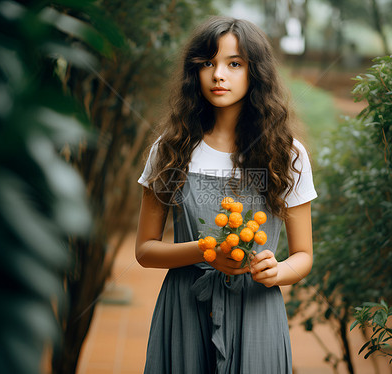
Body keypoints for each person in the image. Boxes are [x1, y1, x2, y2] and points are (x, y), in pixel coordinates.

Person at [135, 15, 317, 373]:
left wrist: (276, 271)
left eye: (234, 64)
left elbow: (303, 255)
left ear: (256, 72)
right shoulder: (171, 149)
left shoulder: (287, 153)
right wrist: (206, 251)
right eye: (207, 63)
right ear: (195, 73)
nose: (218, 75)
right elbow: (144, 251)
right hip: (185, 312)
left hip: (256, 312)